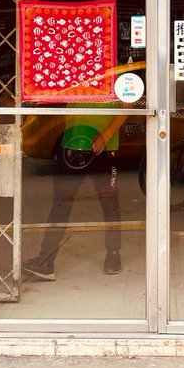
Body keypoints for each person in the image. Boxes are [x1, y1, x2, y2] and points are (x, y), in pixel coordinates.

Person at [23, 107, 130, 281]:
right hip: (71, 145)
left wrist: (107, 134)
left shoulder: (112, 77)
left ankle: (113, 253)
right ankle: (46, 261)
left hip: (105, 147)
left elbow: (128, 104)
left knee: (109, 204)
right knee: (60, 205)